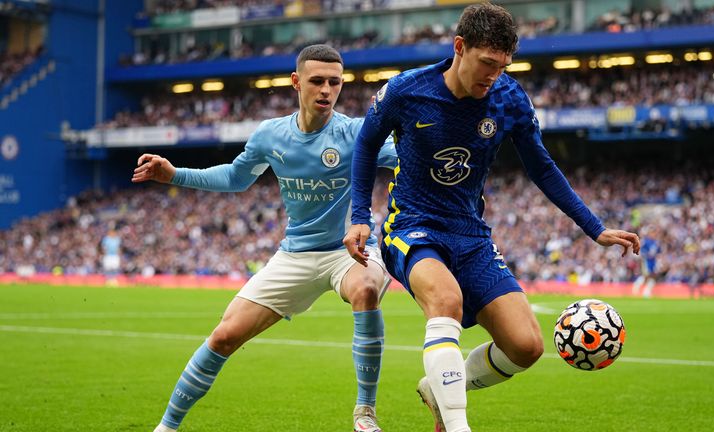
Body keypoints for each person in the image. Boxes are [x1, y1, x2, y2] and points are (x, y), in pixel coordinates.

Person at [343, 4, 640, 432]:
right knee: (445, 301)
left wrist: (594, 227)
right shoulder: (407, 91)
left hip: (472, 235)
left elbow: (541, 167)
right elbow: (366, 144)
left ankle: (437, 386)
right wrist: (359, 216)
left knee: (526, 346)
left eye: (502, 66)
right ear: (459, 48)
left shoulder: (508, 99)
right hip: (411, 226)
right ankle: (458, 425)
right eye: (486, 63)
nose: (493, 75)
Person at [132, 45, 397, 432]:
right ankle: (167, 427)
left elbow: (406, 158)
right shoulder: (270, 135)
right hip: (296, 256)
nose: (326, 90)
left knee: (366, 290)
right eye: (317, 81)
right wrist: (175, 174)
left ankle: (365, 414)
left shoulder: (357, 133)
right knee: (223, 337)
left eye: (334, 82)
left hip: (349, 250)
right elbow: (236, 179)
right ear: (296, 82)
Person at [632, 226, 661, 298]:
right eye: (652, 233)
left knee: (652, 276)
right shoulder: (645, 241)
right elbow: (641, 250)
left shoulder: (656, 242)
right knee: (647, 275)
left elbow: (658, 252)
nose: (654, 234)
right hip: (647, 261)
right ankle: (637, 287)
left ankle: (646, 291)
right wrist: (646, 255)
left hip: (653, 262)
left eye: (655, 233)